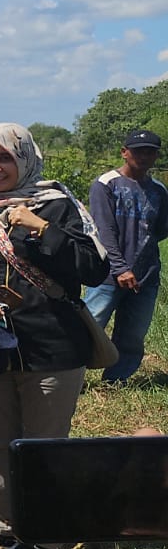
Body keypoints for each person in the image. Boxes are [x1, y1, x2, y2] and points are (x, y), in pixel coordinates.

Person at [0, 123, 109, 549]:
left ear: (26, 159)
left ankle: (44, 535)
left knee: (44, 445)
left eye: (4, 158)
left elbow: (95, 268)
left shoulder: (58, 206)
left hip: (52, 345)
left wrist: (41, 229)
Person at [84, 129, 166, 386]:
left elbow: (161, 229)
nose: (144, 156)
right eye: (138, 151)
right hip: (107, 274)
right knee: (89, 327)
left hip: (145, 276)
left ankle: (116, 381)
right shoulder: (106, 184)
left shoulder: (159, 190)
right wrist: (120, 267)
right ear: (124, 152)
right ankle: (71, 377)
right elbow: (104, 230)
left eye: (150, 152)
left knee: (132, 334)